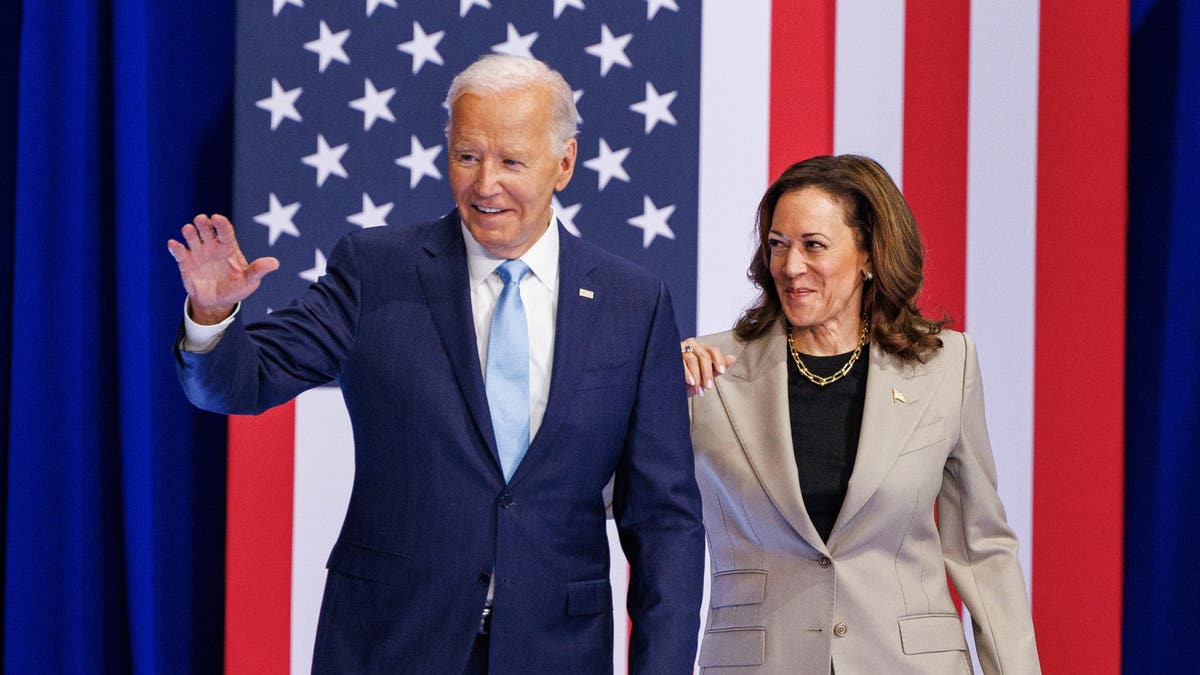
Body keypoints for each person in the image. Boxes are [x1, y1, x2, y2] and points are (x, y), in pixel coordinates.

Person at [169, 55, 704, 674]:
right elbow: (243, 381)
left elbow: (664, 520)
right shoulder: (376, 269)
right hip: (393, 643)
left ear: (564, 163)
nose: (485, 185)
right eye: (467, 156)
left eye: (511, 161)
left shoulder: (633, 302)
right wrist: (210, 315)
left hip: (556, 652)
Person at [680, 155, 1040, 674]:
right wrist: (648, 398)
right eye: (778, 245)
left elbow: (981, 548)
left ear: (869, 254)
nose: (791, 266)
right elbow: (609, 495)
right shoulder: (708, 372)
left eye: (813, 245)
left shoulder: (946, 367)